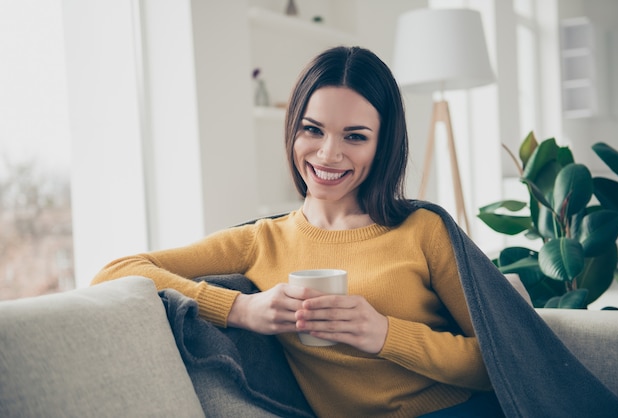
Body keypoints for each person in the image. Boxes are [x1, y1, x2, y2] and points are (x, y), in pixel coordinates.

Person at [92, 46, 500, 417]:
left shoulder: (422, 230)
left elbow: (498, 361)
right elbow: (116, 271)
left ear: (383, 145)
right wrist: (243, 310)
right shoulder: (261, 241)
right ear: (293, 130)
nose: (328, 154)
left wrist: (384, 333)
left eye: (355, 137)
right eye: (312, 129)